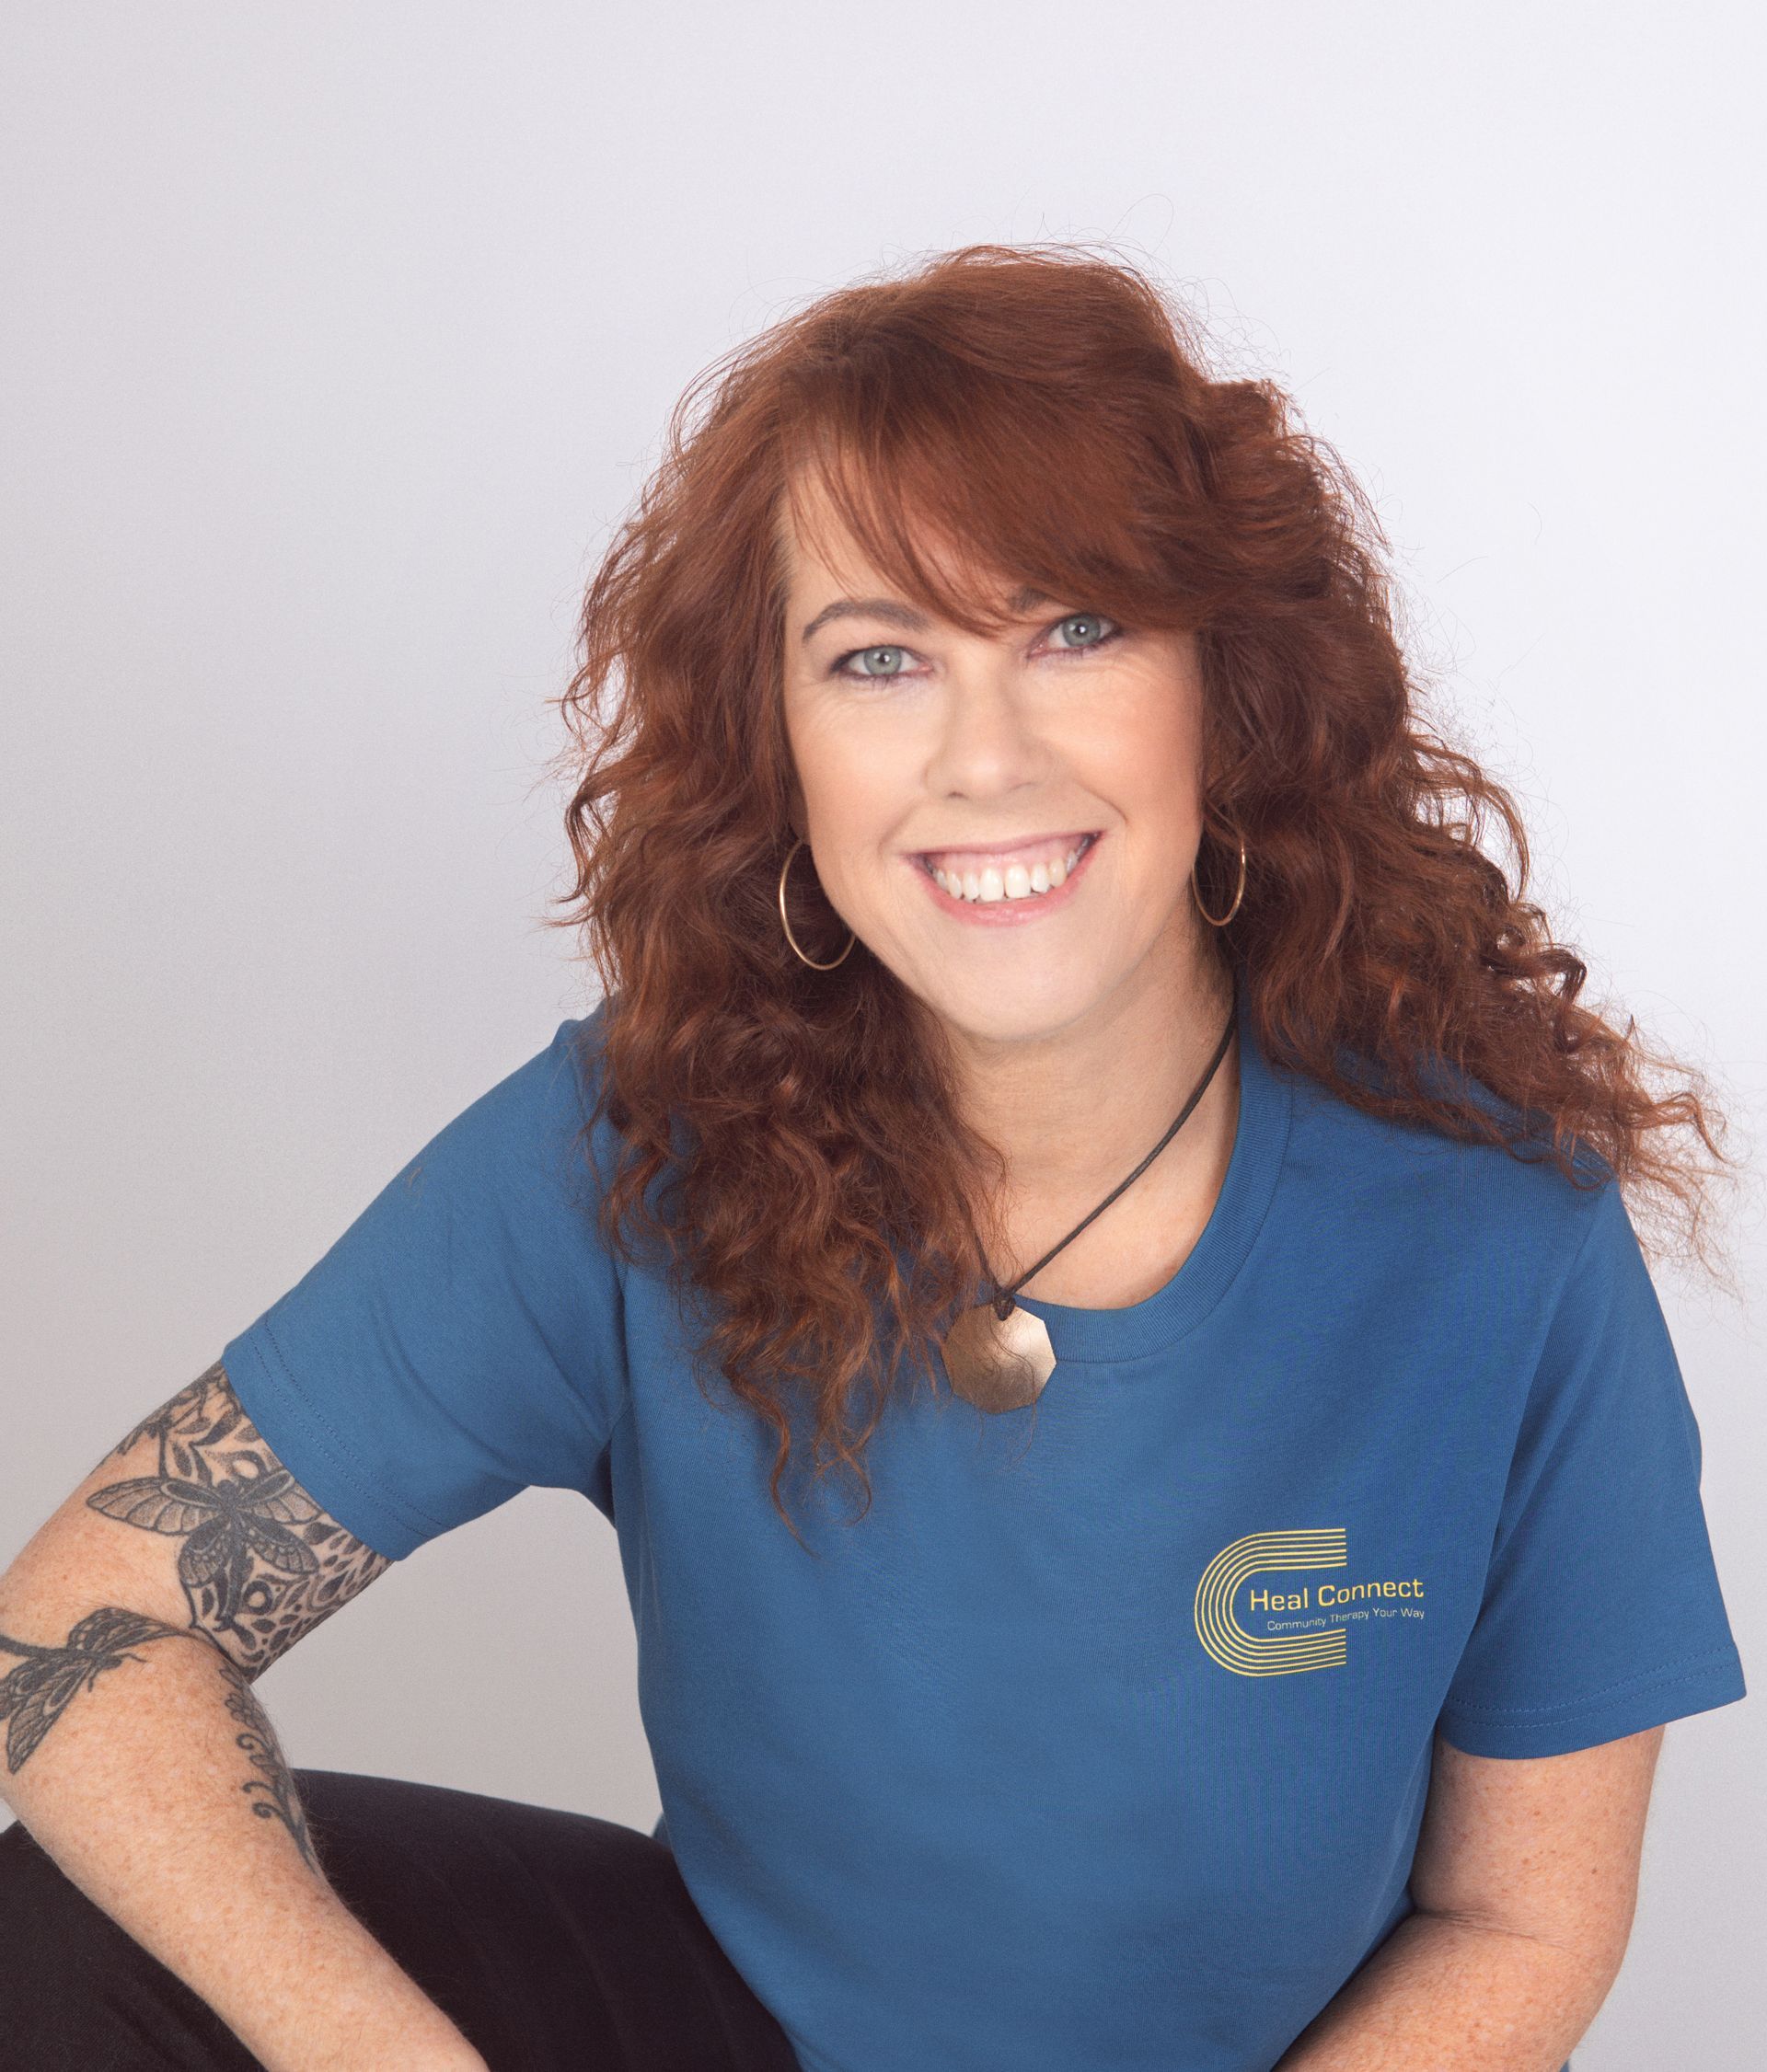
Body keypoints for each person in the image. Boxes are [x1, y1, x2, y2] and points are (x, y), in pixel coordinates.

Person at [0, 241, 1748, 2072]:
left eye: (1075, 627)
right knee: (57, 1942)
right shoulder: (642, 1142)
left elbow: (1525, 1915)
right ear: (785, 744)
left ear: (1225, 692)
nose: (981, 759)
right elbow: (81, 1624)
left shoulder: (1492, 1224)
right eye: (880, 658)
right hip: (738, 2033)